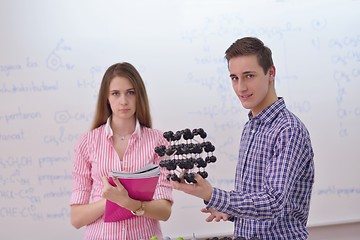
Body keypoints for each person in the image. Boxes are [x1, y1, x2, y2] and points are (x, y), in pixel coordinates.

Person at [171, 37, 315, 239]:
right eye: (234, 78)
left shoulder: (288, 130)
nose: (241, 88)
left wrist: (212, 195)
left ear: (271, 73)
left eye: (249, 76)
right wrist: (229, 210)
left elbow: (273, 202)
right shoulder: (250, 128)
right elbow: (256, 201)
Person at [70, 62, 173, 240]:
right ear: (106, 98)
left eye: (130, 93)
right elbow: (77, 218)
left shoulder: (158, 141)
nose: (123, 101)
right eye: (116, 93)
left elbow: (164, 211)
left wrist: (128, 202)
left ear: (138, 96)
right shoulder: (87, 143)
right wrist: (110, 200)